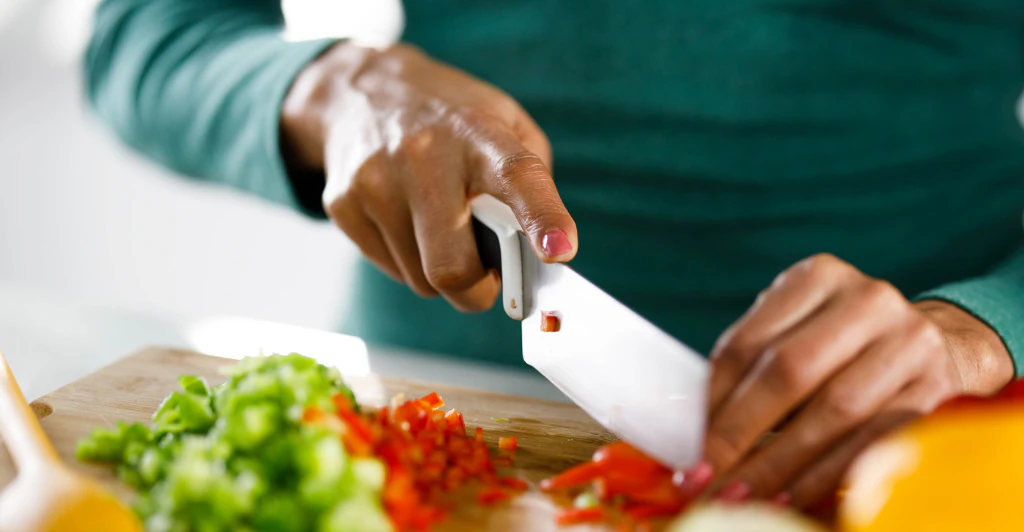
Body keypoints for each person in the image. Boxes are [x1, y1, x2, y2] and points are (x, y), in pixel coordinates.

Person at [85, 0, 1024, 509]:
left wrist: (981, 328)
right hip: (421, 410)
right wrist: (332, 86)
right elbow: (146, 32)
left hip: (920, 444)